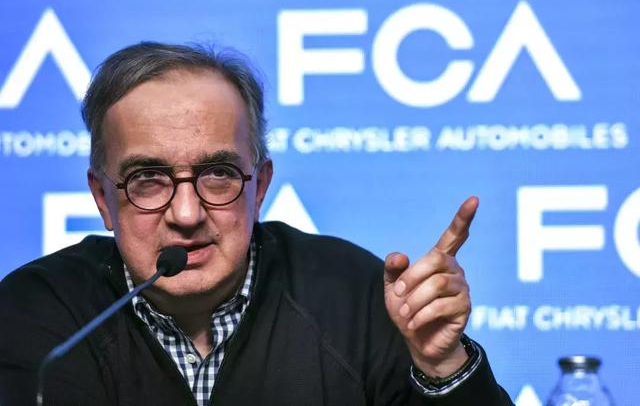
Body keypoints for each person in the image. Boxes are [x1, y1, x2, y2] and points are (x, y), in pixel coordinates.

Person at [0, 42, 513, 405]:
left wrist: (442, 365)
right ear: (102, 198)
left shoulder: (356, 294)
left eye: (218, 174)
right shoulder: (38, 313)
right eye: (148, 179)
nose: (186, 214)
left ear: (260, 186)